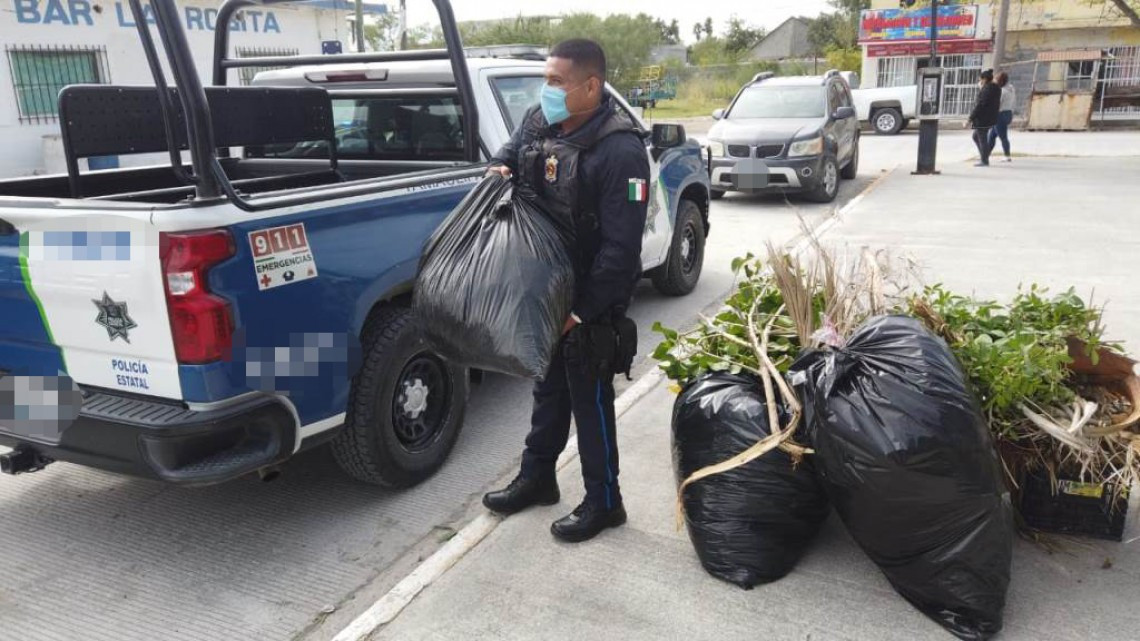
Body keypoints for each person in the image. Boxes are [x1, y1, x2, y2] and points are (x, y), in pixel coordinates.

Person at [482, 39, 650, 543]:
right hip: (545, 286)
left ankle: (604, 501)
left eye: (557, 81)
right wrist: (500, 165)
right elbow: (511, 149)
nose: (546, 91)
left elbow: (621, 249)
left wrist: (580, 311)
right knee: (547, 387)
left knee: (589, 396)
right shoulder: (541, 119)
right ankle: (537, 478)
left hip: (590, 298)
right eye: (546, 80)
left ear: (591, 86)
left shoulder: (622, 151)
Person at [967, 68, 1002, 167]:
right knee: (976, 136)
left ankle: (984, 160)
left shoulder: (987, 89)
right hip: (990, 117)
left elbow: (980, 105)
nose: (980, 82)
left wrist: (971, 118)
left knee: (982, 138)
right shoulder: (996, 88)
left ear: (985, 79)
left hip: (983, 118)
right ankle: (984, 155)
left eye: (980, 80)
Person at [987, 71, 1015, 162]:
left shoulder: (1001, 91)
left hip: (1000, 115)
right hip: (1008, 113)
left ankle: (1007, 156)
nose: (994, 80)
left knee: (1003, 137)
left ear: (1000, 81)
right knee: (992, 136)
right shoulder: (1011, 88)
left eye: (996, 79)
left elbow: (997, 105)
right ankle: (985, 155)